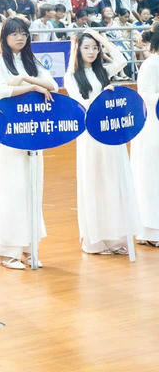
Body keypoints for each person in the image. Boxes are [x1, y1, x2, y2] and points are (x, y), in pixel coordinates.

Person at [0, 17, 58, 269]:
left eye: (24, 33)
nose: (20, 38)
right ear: (4, 37)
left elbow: (53, 85)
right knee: (11, 189)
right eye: (14, 33)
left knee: (32, 189)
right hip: (9, 133)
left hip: (33, 132)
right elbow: (3, 91)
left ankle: (29, 249)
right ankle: (7, 250)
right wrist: (33, 87)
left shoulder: (32, 61)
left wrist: (28, 81)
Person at [64, 29, 137, 254]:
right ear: (77, 50)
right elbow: (82, 105)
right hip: (90, 136)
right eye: (86, 47)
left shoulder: (103, 71)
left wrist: (99, 37)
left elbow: (122, 60)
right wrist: (103, 95)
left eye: (95, 48)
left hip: (110, 135)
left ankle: (116, 238)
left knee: (113, 182)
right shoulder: (71, 77)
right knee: (94, 183)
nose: (92, 51)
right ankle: (94, 240)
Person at [134, 25, 159, 246]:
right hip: (152, 126)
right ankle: (151, 231)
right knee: (151, 177)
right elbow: (146, 95)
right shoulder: (151, 64)